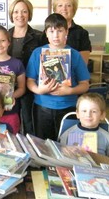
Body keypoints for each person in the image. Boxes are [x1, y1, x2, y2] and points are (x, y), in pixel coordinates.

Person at [0, 0, 43, 135]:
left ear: (29, 14)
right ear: (11, 14)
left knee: (27, 124)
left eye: (24, 11)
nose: (20, 15)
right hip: (1, 93)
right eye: (16, 11)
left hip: (29, 85)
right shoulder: (5, 34)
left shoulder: (39, 36)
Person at [26, 13, 90, 141]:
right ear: (46, 33)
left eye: (60, 31)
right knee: (43, 144)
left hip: (69, 107)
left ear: (66, 32)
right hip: (42, 107)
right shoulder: (38, 53)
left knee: (68, 145)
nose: (56, 35)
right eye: (52, 31)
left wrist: (70, 90)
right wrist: (39, 90)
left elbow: (85, 84)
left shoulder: (75, 55)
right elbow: (30, 81)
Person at [60, 93, 109, 159]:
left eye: (94, 111)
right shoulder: (68, 133)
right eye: (84, 111)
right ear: (77, 114)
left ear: (102, 115)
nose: (88, 115)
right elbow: (60, 152)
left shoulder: (107, 137)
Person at [42, 0, 92, 64]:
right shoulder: (46, 32)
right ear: (55, 9)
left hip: (74, 74)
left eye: (68, 5)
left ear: (74, 9)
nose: (64, 9)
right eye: (60, 5)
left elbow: (83, 62)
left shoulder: (82, 33)